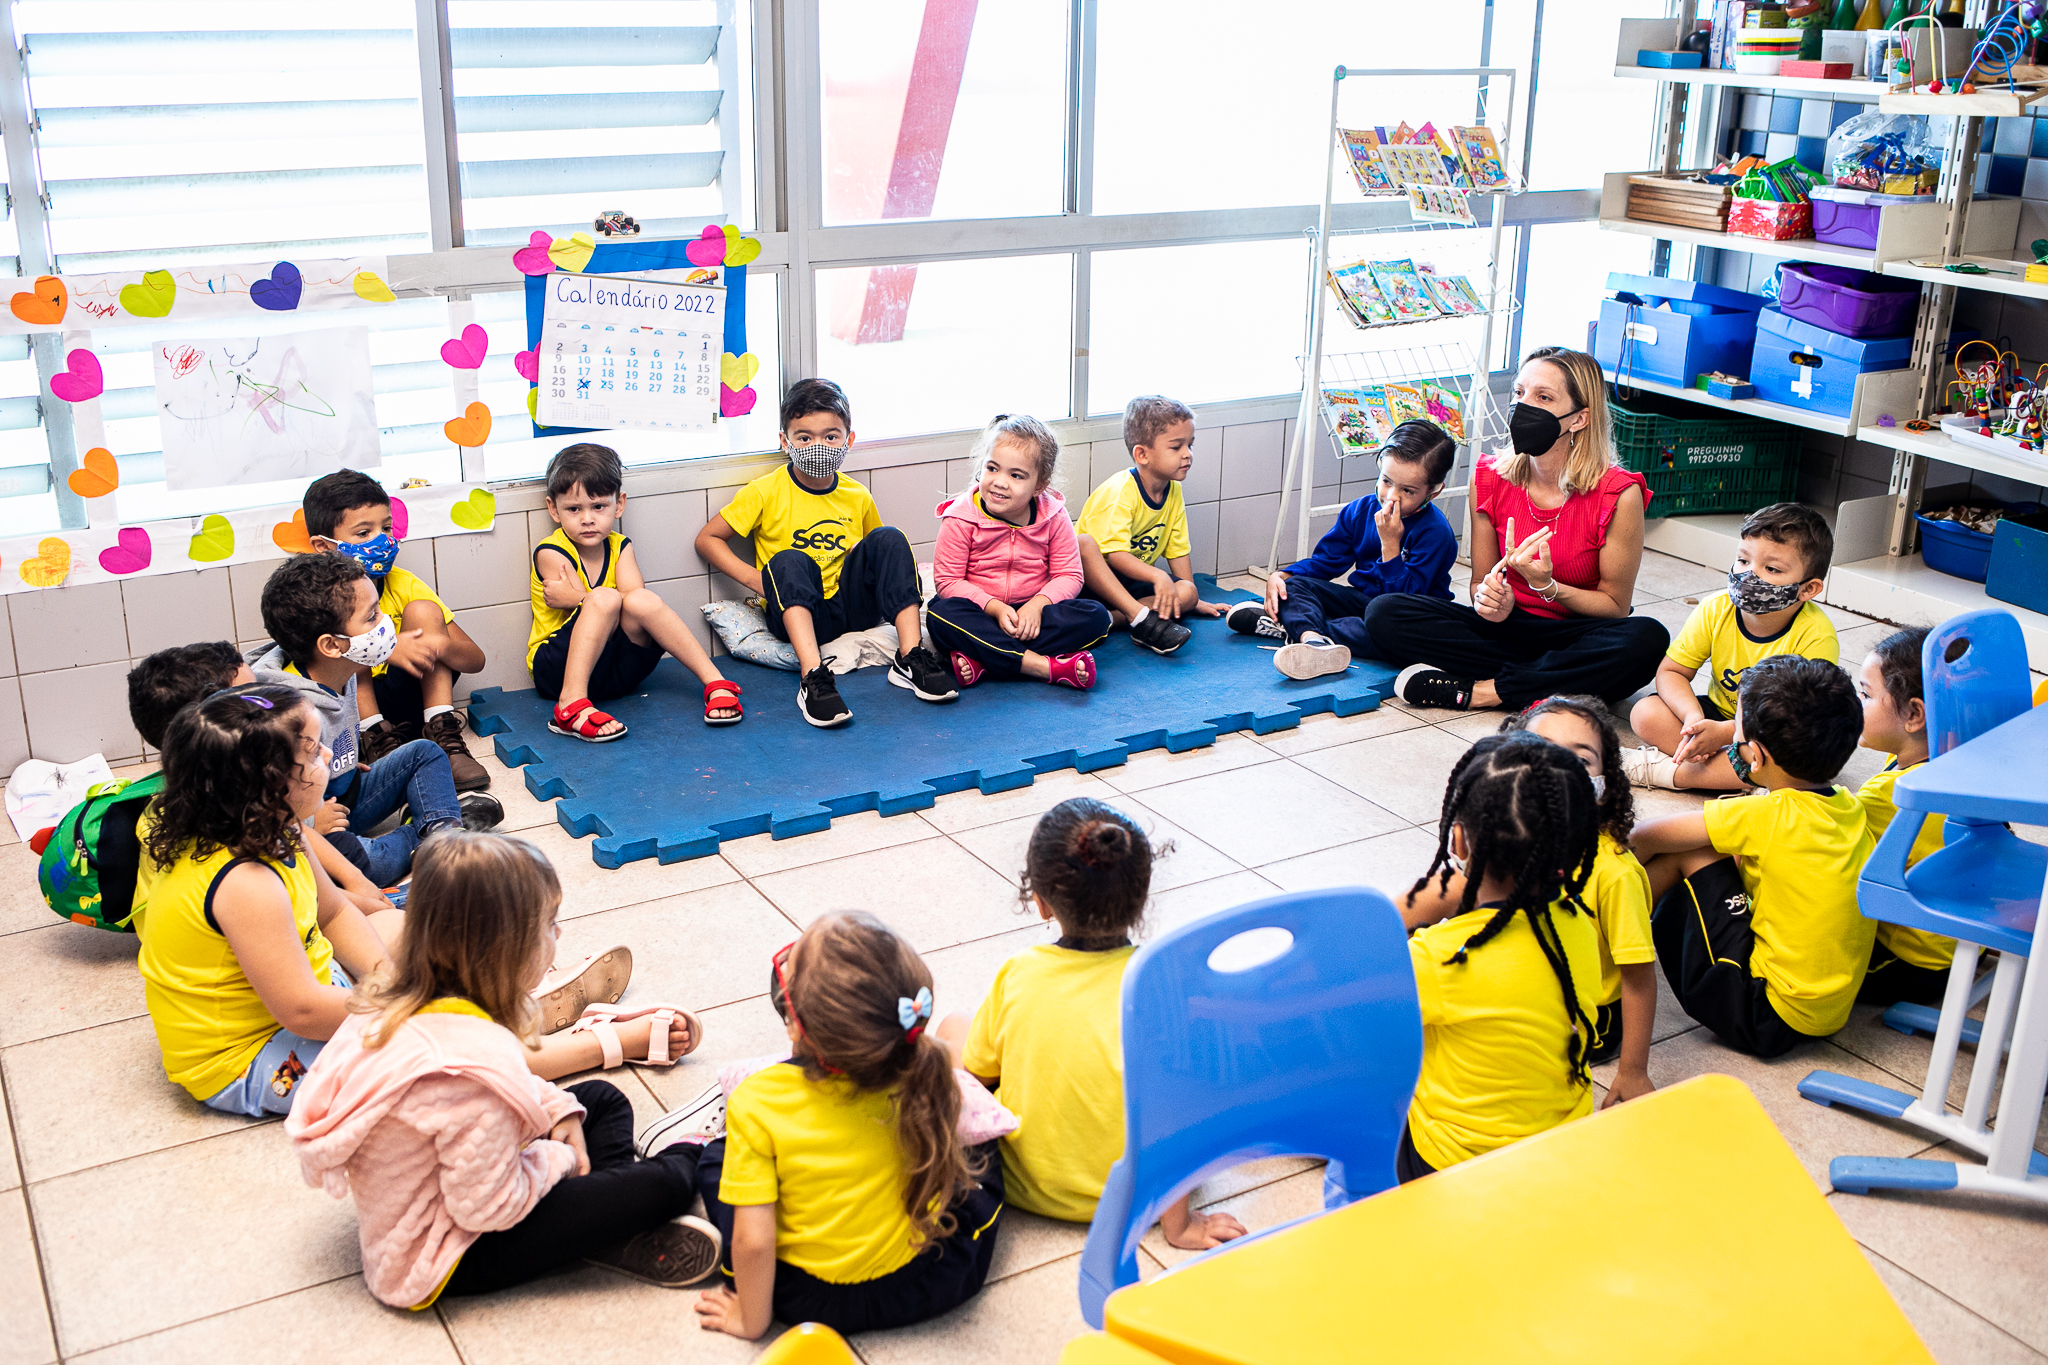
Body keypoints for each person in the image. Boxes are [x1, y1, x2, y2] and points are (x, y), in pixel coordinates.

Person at [287, 832, 724, 1307]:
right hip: (448, 1255)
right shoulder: (468, 1074)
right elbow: (487, 1207)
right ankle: (688, 1151)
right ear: (506, 951)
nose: (560, 935)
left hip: (448, 1194)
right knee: (666, 1183)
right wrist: (558, 1162)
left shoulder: (398, 1006)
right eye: (549, 925)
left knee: (598, 1102)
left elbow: (509, 1089)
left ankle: (604, 1229)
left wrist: (555, 1113)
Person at [935, 798, 1247, 1246]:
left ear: (1040, 902)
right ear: (1140, 902)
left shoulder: (1019, 973)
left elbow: (980, 1076)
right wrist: (1178, 1225)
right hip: (1142, 1197)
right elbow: (1178, 1104)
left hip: (1031, 1188)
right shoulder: (1164, 981)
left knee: (954, 1027)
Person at [680, 912, 1003, 1338]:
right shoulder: (927, 1069)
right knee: (982, 1150)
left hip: (806, 1298)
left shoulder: (756, 1100)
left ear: (795, 1024)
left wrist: (751, 1320)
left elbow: (755, 1243)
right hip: (928, 1281)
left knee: (716, 1157)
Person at [134, 683, 397, 1116]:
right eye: (312, 753)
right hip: (249, 1054)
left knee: (413, 939)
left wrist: (390, 982)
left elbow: (331, 913)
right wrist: (406, 1010)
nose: (328, 757)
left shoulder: (274, 822)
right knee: (434, 1058)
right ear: (270, 785)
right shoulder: (245, 883)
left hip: (309, 987)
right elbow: (303, 1010)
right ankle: (541, 1074)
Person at [1362, 347, 1669, 711]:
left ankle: (1484, 692)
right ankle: (1555, 682)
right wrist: (1490, 600)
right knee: (1384, 613)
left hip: (1574, 634)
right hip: (1505, 630)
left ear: (1580, 418)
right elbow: (1480, 583)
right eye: (1519, 393)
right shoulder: (1490, 477)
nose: (1523, 407)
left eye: (1543, 397)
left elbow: (1615, 607)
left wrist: (1548, 587)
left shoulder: (1619, 494)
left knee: (1646, 640)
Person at [1632, 655, 1873, 1057]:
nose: (1732, 746)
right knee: (1725, 850)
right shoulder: (1848, 805)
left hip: (1761, 1013)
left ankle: (1597, 927)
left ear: (1755, 757)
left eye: (1736, 739)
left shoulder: (1767, 814)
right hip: (1827, 1012)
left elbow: (1646, 836)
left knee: (1691, 852)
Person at [1396, 731, 1604, 1182]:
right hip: (1561, 1146)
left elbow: (1348, 994)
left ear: (1459, 841)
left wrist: (1416, 904)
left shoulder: (1439, 957)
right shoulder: (1578, 927)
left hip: (1456, 1164)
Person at [695, 378, 957, 728]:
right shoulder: (764, 491)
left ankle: (910, 657)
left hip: (852, 610)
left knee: (890, 537)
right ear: (784, 441)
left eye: (830, 436)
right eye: (804, 437)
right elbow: (707, 539)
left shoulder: (856, 495)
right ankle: (813, 676)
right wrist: (760, 582)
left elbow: (875, 554)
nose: (818, 446)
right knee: (790, 559)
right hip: (800, 614)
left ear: (848, 440)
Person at [249, 553, 501, 889]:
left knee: (424, 752)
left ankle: (441, 830)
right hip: (315, 824)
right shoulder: (288, 711)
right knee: (371, 862)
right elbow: (259, 804)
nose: (385, 623)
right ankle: (440, 834)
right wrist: (308, 822)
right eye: (372, 617)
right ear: (331, 645)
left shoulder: (342, 666)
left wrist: (348, 762)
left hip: (347, 792)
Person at [127, 641, 398, 922]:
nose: (271, 707)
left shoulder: (230, 789)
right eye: (253, 699)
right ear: (212, 725)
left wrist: (356, 884)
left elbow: (299, 843)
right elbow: (316, 904)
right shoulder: (235, 862)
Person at [1498, 697, 1656, 1106]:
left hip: (1590, 1017)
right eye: (1541, 751)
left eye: (1581, 761)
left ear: (1604, 787)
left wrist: (1633, 1071)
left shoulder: (1613, 872)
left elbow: (1638, 978)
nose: (1559, 769)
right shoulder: (1508, 837)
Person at [528, 442, 742, 741]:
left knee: (640, 599)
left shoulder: (619, 545)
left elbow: (632, 602)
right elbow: (593, 608)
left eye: (598, 506)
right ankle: (570, 706)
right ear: (554, 509)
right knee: (605, 597)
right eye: (574, 509)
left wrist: (579, 597)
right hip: (557, 672)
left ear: (619, 504)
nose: (587, 518)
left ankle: (715, 682)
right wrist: (589, 600)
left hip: (613, 671)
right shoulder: (552, 552)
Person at [1625, 503, 1838, 791]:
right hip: (1717, 715)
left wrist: (1727, 734)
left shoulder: (1816, 636)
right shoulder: (1715, 608)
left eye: (1772, 568)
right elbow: (1672, 672)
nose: (1750, 575)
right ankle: (1742, 776)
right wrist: (1694, 720)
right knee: (1645, 713)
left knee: (1799, 752)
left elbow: (1800, 716)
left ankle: (1675, 774)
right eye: (1743, 561)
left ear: (1808, 589)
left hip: (1771, 730)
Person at [1228, 420, 1460, 680]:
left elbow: (1402, 600)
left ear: (1433, 492)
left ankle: (1293, 627)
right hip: (1364, 600)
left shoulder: (1436, 533)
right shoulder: (1360, 510)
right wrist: (1282, 576)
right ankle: (1313, 641)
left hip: (1407, 618)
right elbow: (1326, 562)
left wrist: (1390, 545)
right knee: (1296, 587)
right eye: (1386, 481)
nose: (1391, 496)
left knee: (1389, 634)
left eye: (1408, 491)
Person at [304, 469, 489, 789]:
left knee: (423, 610)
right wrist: (388, 648)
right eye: (363, 533)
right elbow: (314, 675)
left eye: (386, 528)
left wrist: (438, 644)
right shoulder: (312, 594)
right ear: (324, 546)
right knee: (346, 628)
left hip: (411, 699)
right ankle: (375, 740)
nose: (381, 539)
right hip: (350, 713)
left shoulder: (403, 583)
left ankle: (442, 732)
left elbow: (475, 660)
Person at [926, 414, 1113, 691]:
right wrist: (995, 607)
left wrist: (1037, 605)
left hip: (1034, 615)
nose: (1000, 482)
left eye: (1016, 475)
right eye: (993, 468)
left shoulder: (1054, 516)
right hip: (983, 614)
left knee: (1096, 616)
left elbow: (1070, 574)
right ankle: (1043, 667)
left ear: (1040, 485)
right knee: (940, 615)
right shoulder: (960, 518)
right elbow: (948, 582)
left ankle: (986, 659)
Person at [1074, 394, 1226, 656]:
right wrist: (1157, 576)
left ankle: (1115, 619)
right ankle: (1134, 617)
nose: (1187, 455)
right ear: (1142, 454)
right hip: (1095, 581)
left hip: (1132, 582)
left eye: (1190, 445)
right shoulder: (1120, 492)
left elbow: (1177, 549)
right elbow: (1115, 556)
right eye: (1176, 447)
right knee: (1084, 546)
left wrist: (1192, 600)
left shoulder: (1173, 491)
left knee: (1187, 591)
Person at [1853, 627, 1954, 1008]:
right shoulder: (1960, 760)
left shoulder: (1889, 794)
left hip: (1914, 964)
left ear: (1914, 714)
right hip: (1962, 944)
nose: (1856, 703)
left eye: (1866, 694)